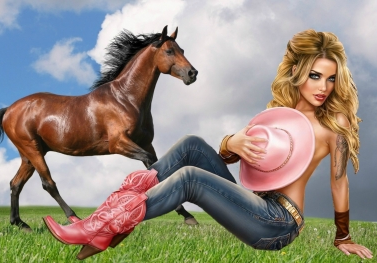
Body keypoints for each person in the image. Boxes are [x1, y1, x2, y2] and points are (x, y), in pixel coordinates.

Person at [42, 29, 373, 260]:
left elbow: (339, 181)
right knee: (191, 145)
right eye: (316, 76)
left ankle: (100, 227)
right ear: (299, 73)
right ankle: (102, 221)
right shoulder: (280, 114)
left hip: (278, 223)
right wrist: (234, 141)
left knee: (189, 178)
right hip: (253, 201)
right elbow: (229, 157)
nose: (324, 87)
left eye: (331, 78)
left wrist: (342, 235)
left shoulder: (335, 124)